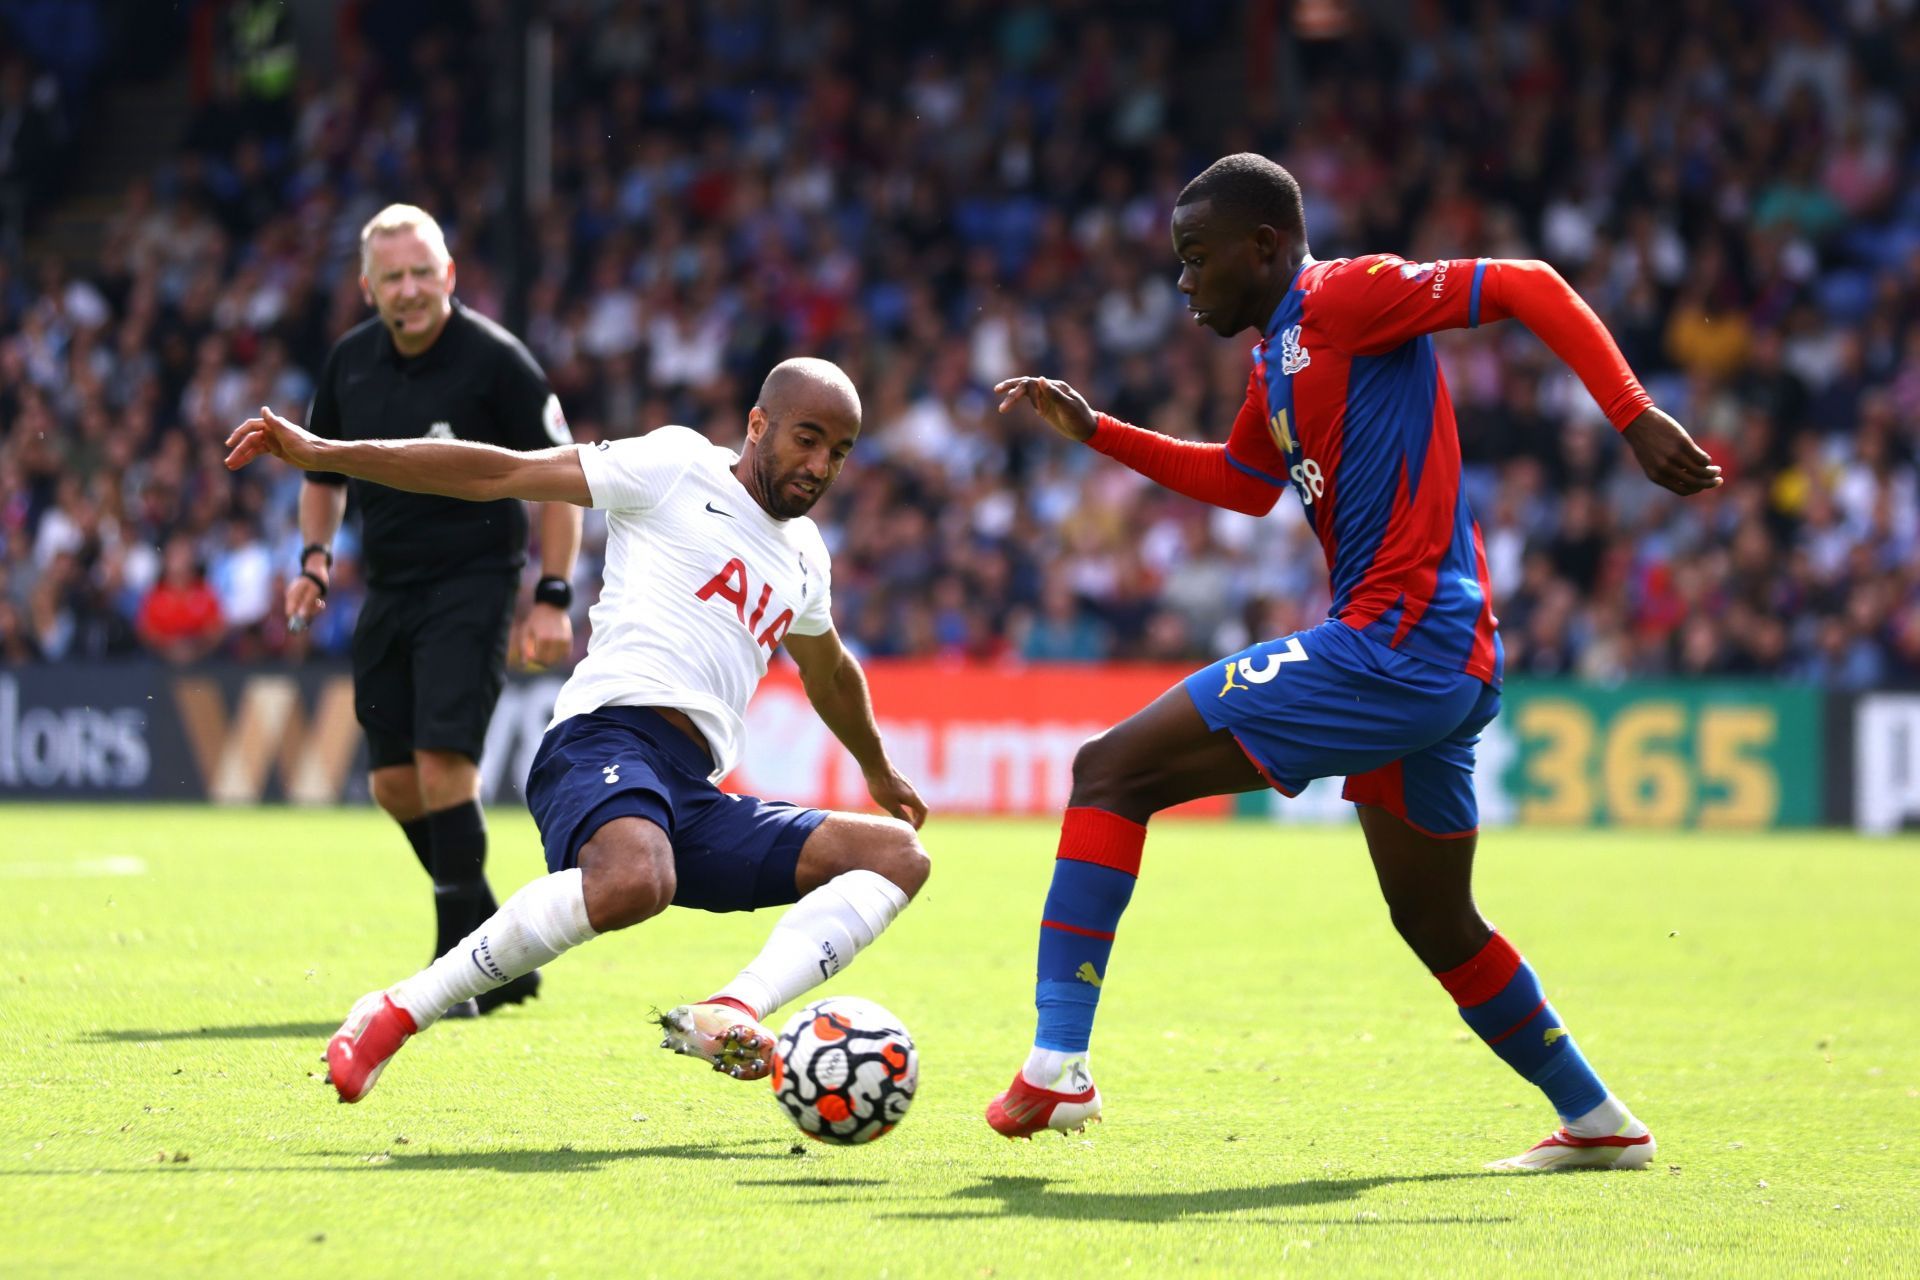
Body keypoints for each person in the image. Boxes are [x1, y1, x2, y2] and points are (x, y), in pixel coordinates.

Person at [986, 153, 1721, 1171]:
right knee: (1435, 916)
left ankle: (1059, 1060)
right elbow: (1244, 482)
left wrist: (1631, 414)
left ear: (1267, 246)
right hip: (1435, 660)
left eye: (1198, 258)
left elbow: (1528, 283)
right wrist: (1099, 430)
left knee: (1110, 769)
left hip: (1397, 643)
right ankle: (1601, 1122)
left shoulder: (1346, 294)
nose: (1184, 281)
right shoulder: (1275, 355)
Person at [225, 357, 931, 1103]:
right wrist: (327, 454)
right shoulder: (677, 465)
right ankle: (399, 1010)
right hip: (602, 742)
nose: (821, 466)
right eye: (808, 439)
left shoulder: (806, 555)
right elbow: (500, 473)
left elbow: (829, 670)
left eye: (840, 451)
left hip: (689, 792)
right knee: (635, 880)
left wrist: (878, 770)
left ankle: (732, 1009)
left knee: (897, 856)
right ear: (758, 426)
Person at [292, 204, 583, 1016]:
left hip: (475, 581)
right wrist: (314, 562)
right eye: (394, 277)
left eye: (424, 273)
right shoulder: (349, 363)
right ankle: (496, 940)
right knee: (392, 786)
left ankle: (461, 964)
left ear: (450, 275)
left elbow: (562, 480)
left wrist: (553, 593)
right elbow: (321, 478)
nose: (411, 289)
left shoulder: (498, 362)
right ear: (368, 287)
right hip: (388, 589)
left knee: (443, 766)